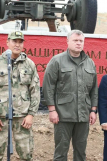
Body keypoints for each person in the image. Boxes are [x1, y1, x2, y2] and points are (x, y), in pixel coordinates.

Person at [42, 30, 98, 161]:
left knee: (81, 152)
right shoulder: (57, 61)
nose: (78, 43)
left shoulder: (90, 63)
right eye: (75, 40)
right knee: (61, 152)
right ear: (67, 42)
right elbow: (48, 86)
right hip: (63, 115)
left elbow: (94, 89)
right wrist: (52, 110)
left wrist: (93, 110)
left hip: (83, 115)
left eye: (81, 41)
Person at [0, 31, 40, 160]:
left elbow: (35, 91)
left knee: (26, 155)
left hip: (23, 118)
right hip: (1, 117)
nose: (17, 44)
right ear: (7, 42)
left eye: (20, 42)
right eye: (14, 41)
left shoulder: (29, 64)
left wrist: (31, 115)